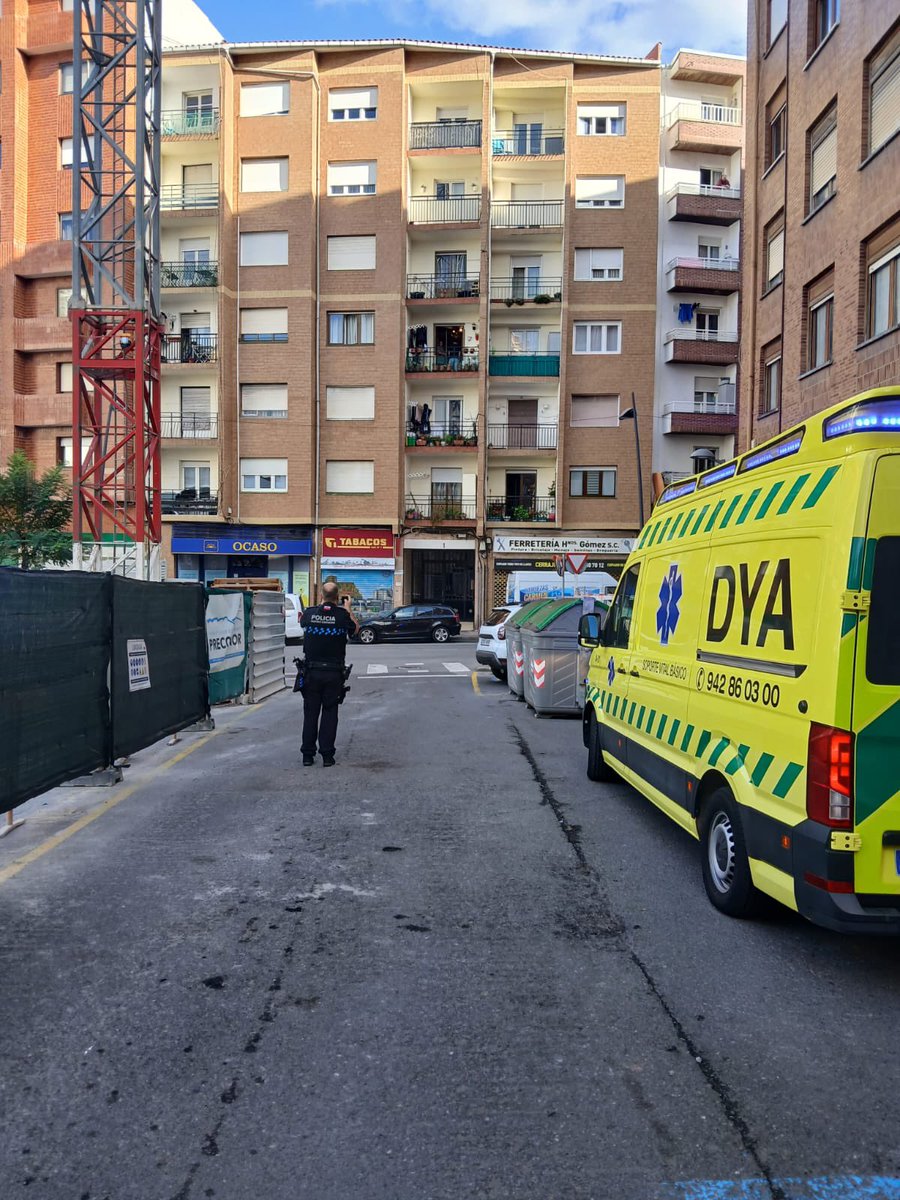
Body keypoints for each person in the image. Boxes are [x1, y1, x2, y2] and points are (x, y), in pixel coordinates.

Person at [298, 582, 358, 767]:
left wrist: (320, 607)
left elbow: (303, 623)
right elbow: (355, 630)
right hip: (333, 673)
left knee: (310, 713)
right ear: (338, 597)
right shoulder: (342, 616)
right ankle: (327, 756)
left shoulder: (309, 613)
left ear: (321, 596)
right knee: (330, 713)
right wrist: (348, 609)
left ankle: (307, 755)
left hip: (311, 672)